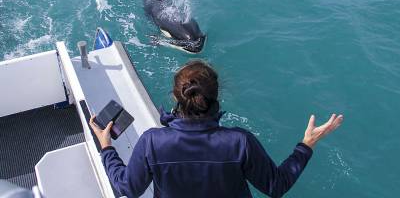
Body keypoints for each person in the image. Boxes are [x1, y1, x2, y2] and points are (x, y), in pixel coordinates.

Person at [89, 60, 343, 198]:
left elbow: (126, 188)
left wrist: (107, 148)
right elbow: (276, 187)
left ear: (177, 97)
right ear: (216, 95)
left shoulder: (152, 142)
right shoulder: (239, 142)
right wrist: (305, 146)